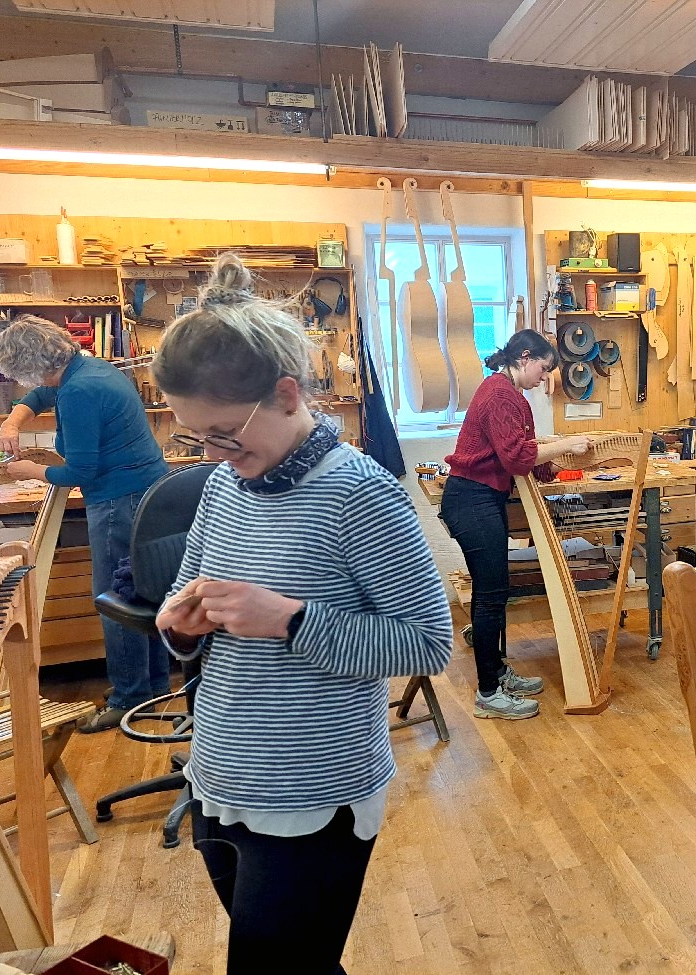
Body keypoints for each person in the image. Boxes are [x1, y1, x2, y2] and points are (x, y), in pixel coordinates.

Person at [152, 254, 454, 973]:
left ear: (287, 395)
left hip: (313, 793)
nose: (214, 453)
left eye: (224, 433)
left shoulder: (360, 494)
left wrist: (290, 619)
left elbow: (428, 642)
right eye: (196, 437)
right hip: (221, 773)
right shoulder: (224, 485)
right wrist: (180, 625)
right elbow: (187, 593)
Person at [0, 315, 169, 733]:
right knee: (142, 593)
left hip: (120, 500)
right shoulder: (86, 367)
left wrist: (31, 471)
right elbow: (41, 393)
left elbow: (80, 472)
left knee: (114, 599)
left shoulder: (79, 391)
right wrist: (12, 421)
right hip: (144, 492)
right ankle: (152, 688)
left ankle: (129, 699)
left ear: (29, 364)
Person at [440, 330, 589, 720]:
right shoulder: (498, 395)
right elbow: (516, 458)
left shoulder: (514, 398)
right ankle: (488, 694)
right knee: (490, 596)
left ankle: (497, 671)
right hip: (471, 500)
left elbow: (529, 458)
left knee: (495, 592)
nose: (544, 378)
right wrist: (564, 445)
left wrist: (564, 463)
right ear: (525, 357)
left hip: (483, 499)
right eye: (544, 368)